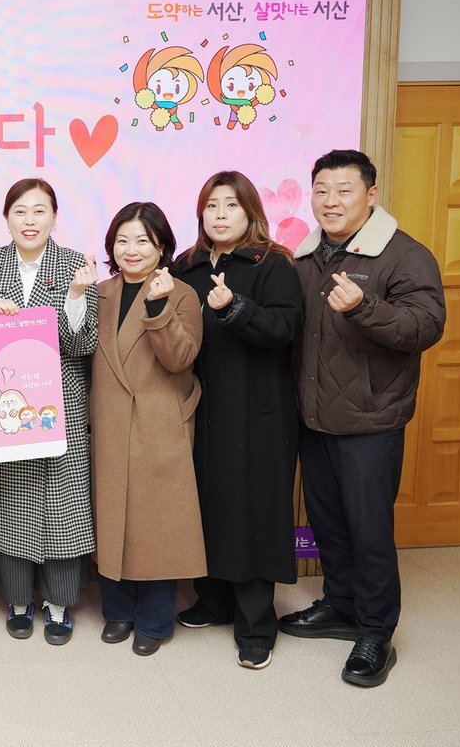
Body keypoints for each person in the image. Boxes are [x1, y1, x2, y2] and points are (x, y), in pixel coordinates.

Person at [279, 150, 445, 687]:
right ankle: (341, 605)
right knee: (328, 522)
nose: (330, 201)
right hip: (315, 416)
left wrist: (363, 308)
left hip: (372, 421)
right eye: (321, 190)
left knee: (369, 531)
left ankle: (376, 632)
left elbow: (424, 327)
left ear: (371, 195)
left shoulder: (404, 255)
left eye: (343, 190)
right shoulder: (306, 257)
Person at [171, 171, 303, 670]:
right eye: (211, 206)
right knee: (206, 505)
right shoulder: (186, 267)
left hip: (257, 414)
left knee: (252, 513)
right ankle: (214, 601)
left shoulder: (273, 263)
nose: (220, 214)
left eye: (230, 205)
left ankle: (256, 624)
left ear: (250, 212)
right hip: (201, 408)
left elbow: (284, 329)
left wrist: (235, 307)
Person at [0, 178, 99, 644]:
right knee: (10, 503)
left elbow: (83, 345)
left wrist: (76, 296)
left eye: (40, 211)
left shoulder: (76, 266)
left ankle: (59, 604)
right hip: (4, 408)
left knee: (62, 505)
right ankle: (18, 600)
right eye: (20, 211)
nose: (29, 220)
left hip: (60, 403)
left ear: (54, 217)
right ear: (6, 217)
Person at [90, 202, 205, 656]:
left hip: (158, 422)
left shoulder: (181, 294)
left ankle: (155, 621)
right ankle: (117, 612)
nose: (131, 249)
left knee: (157, 523)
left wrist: (157, 307)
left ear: (162, 247)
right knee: (111, 518)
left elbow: (181, 359)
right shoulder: (99, 292)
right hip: (109, 421)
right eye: (122, 240)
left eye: (142, 240)